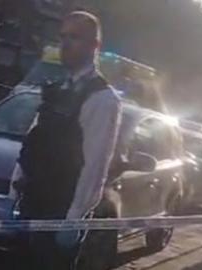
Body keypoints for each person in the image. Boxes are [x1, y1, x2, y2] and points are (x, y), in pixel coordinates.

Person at [17, 11, 122, 270]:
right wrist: (13, 192)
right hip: (32, 204)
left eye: (74, 37)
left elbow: (94, 167)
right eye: (62, 36)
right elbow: (34, 140)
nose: (65, 43)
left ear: (94, 46)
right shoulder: (57, 88)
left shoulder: (102, 99)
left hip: (60, 211)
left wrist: (72, 221)